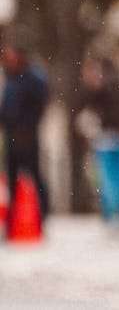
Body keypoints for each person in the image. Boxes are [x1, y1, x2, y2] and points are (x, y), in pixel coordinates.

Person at [0, 28, 50, 240]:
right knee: (11, 178)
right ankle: (12, 222)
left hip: (28, 137)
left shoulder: (33, 78)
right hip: (11, 136)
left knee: (34, 176)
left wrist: (27, 127)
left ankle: (42, 217)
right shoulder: (10, 77)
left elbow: (39, 106)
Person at [79, 54, 119, 231]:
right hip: (118, 136)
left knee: (110, 178)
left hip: (107, 137)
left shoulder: (103, 89)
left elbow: (94, 109)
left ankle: (114, 212)